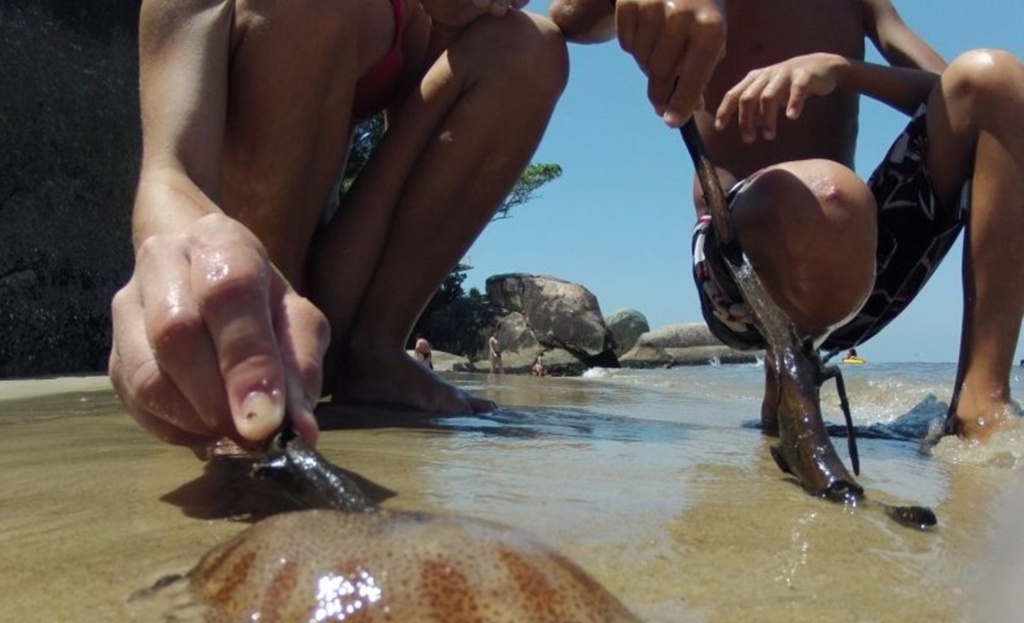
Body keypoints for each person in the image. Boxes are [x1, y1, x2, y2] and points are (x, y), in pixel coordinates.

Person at [107, 0, 568, 454]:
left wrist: (448, 23)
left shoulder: (412, 14)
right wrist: (177, 266)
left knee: (528, 48)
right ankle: (261, 352)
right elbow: (168, 174)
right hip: (234, 284)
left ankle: (374, 351)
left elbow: (416, 156)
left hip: (338, 292)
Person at [551, 0, 1024, 441]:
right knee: (828, 196)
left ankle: (980, 400)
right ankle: (786, 375)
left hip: (857, 263)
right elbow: (566, 18)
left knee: (997, 79)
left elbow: (957, 96)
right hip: (739, 271)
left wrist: (841, 71)